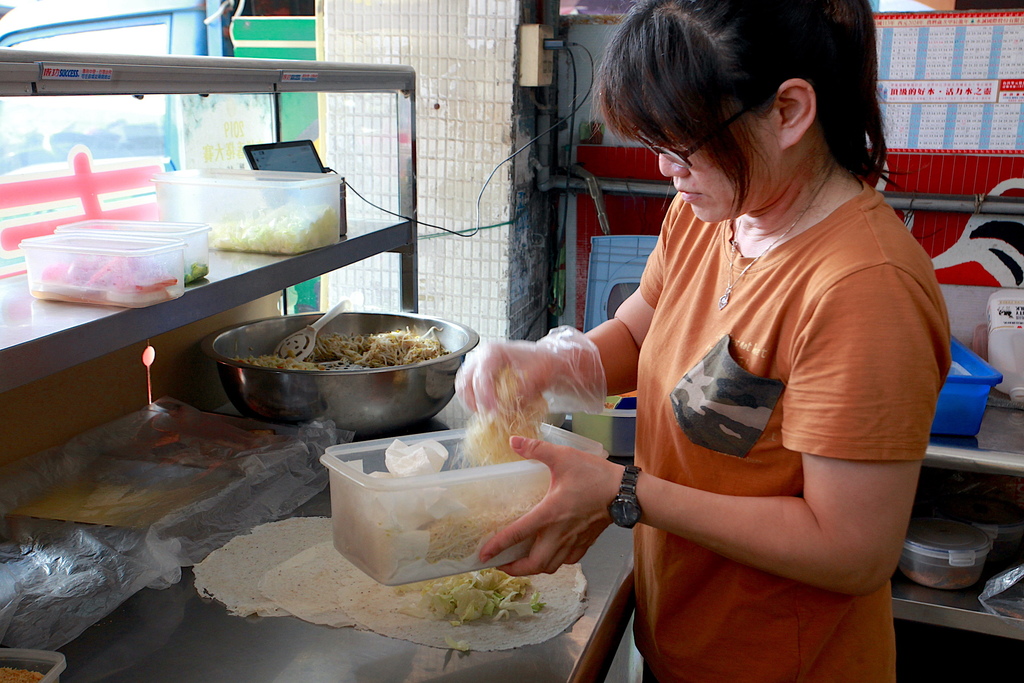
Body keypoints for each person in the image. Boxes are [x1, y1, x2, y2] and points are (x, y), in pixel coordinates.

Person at [456, 0, 951, 681]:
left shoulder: (863, 287)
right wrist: (545, 362)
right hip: (682, 641)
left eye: (681, 144)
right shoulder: (715, 210)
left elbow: (850, 548)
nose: (666, 169)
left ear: (788, 113)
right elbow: (639, 329)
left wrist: (624, 491)